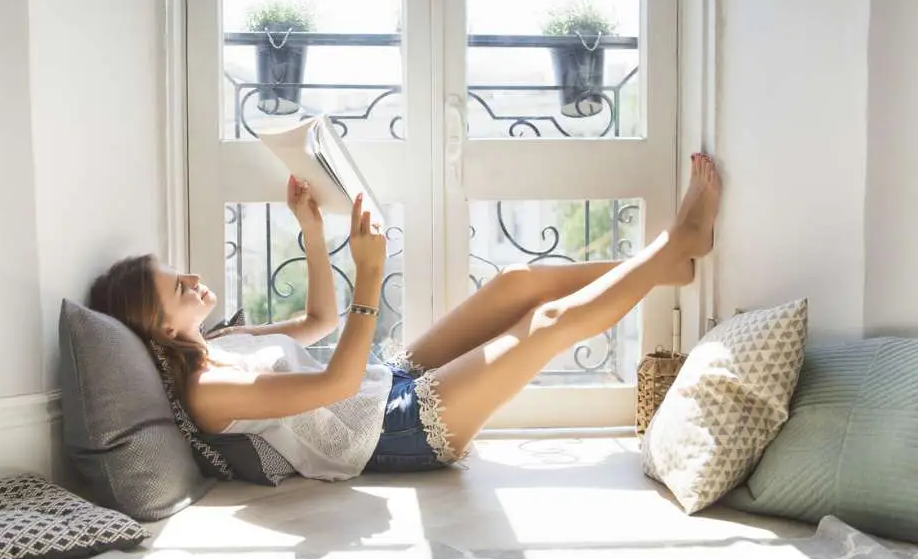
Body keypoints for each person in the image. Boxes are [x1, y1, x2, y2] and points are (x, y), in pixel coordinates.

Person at [90, 154, 721, 480]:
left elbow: (316, 322)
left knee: (512, 285)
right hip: (393, 434)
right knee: (546, 325)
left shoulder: (222, 342)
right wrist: (369, 272)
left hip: (379, 387)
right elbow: (332, 384)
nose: (193, 278)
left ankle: (667, 267)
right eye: (178, 285)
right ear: (164, 327)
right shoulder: (208, 390)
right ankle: (676, 241)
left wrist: (311, 231)